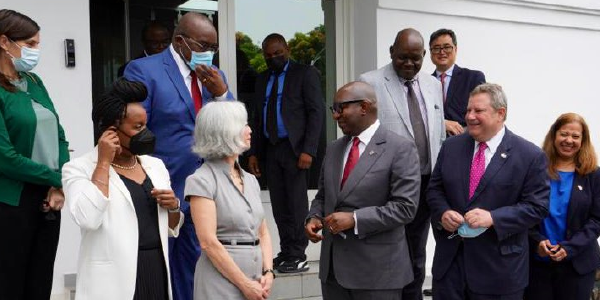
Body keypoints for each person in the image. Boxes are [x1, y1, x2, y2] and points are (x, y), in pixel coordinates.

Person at [124, 12, 234, 300]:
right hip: (164, 187)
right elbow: (134, 129)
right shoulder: (144, 70)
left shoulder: (215, 76)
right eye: (203, 46)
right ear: (179, 41)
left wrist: (222, 94)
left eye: (214, 48)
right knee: (162, 269)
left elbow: (234, 128)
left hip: (207, 188)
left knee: (199, 267)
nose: (208, 54)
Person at [62, 78, 184, 300]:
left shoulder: (154, 166)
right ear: (111, 131)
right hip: (112, 279)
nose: (145, 132)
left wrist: (174, 207)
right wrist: (103, 163)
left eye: (145, 125)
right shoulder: (78, 168)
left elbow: (170, 227)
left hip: (155, 267)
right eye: (137, 127)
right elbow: (88, 218)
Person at [426, 83, 550, 300]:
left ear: (500, 113)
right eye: (468, 110)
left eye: (478, 111)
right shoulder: (451, 147)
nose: (470, 116)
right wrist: (443, 212)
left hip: (499, 273)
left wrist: (493, 217)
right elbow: (435, 189)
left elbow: (537, 207)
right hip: (450, 269)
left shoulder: (529, 155)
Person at [305, 81, 420, 299]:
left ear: (364, 107)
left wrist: (355, 219)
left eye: (340, 108)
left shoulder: (400, 148)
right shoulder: (334, 148)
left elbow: (405, 208)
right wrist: (313, 217)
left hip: (377, 274)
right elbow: (323, 196)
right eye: (333, 109)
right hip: (333, 273)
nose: (335, 116)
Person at [358, 28, 445, 300]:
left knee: (417, 247)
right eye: (402, 58)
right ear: (391, 53)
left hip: (426, 180)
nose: (409, 64)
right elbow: (362, 134)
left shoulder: (432, 84)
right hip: (388, 184)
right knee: (392, 247)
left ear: (424, 57)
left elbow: (437, 132)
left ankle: (413, 295)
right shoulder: (370, 82)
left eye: (416, 59)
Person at [0, 9, 70, 300]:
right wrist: (57, 177)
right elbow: (6, 157)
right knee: (9, 283)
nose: (36, 51)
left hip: (48, 196)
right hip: (10, 201)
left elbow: (59, 134)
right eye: (30, 44)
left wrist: (60, 183)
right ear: (4, 41)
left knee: (40, 281)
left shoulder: (34, 82)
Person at [247, 33, 325, 273]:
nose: (273, 58)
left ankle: (299, 254)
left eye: (278, 53)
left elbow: (316, 113)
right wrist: (253, 153)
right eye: (268, 56)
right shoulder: (262, 79)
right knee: (279, 205)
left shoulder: (304, 73)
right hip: (271, 149)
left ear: (287, 49)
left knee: (296, 202)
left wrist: (308, 150)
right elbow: (257, 118)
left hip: (296, 150)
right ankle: (287, 251)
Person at [185, 101, 274, 300]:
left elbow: (263, 231)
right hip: (219, 282)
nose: (250, 130)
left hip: (256, 280)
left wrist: (268, 271)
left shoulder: (250, 180)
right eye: (244, 125)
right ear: (225, 131)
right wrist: (244, 284)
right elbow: (208, 242)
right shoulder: (201, 180)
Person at [524, 113, 600, 300]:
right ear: (554, 135)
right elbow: (524, 211)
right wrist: (537, 242)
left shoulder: (593, 175)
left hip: (578, 267)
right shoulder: (535, 170)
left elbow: (597, 219)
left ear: (583, 141)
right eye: (564, 134)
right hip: (538, 265)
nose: (569, 140)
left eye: (575, 136)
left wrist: (570, 247)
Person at [429, 28, 486, 136]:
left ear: (455, 49)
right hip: (432, 144)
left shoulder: (473, 78)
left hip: (464, 142)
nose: (442, 52)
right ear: (430, 53)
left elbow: (481, 114)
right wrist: (442, 124)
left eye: (447, 47)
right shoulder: (423, 83)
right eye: (436, 48)